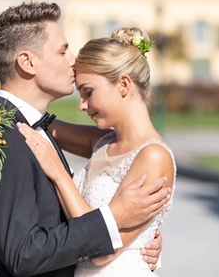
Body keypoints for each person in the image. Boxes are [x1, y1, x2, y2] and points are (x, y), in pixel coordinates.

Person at [0, 2, 172, 277]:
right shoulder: (4, 136)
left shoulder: (31, 127)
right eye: (63, 51)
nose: (73, 59)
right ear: (27, 62)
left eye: (89, 92)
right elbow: (23, 252)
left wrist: (139, 241)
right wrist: (116, 217)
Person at [17, 27, 176, 276]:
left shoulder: (154, 157)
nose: (82, 106)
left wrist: (58, 173)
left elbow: (101, 251)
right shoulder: (102, 142)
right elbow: (34, 122)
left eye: (88, 92)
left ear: (123, 84)